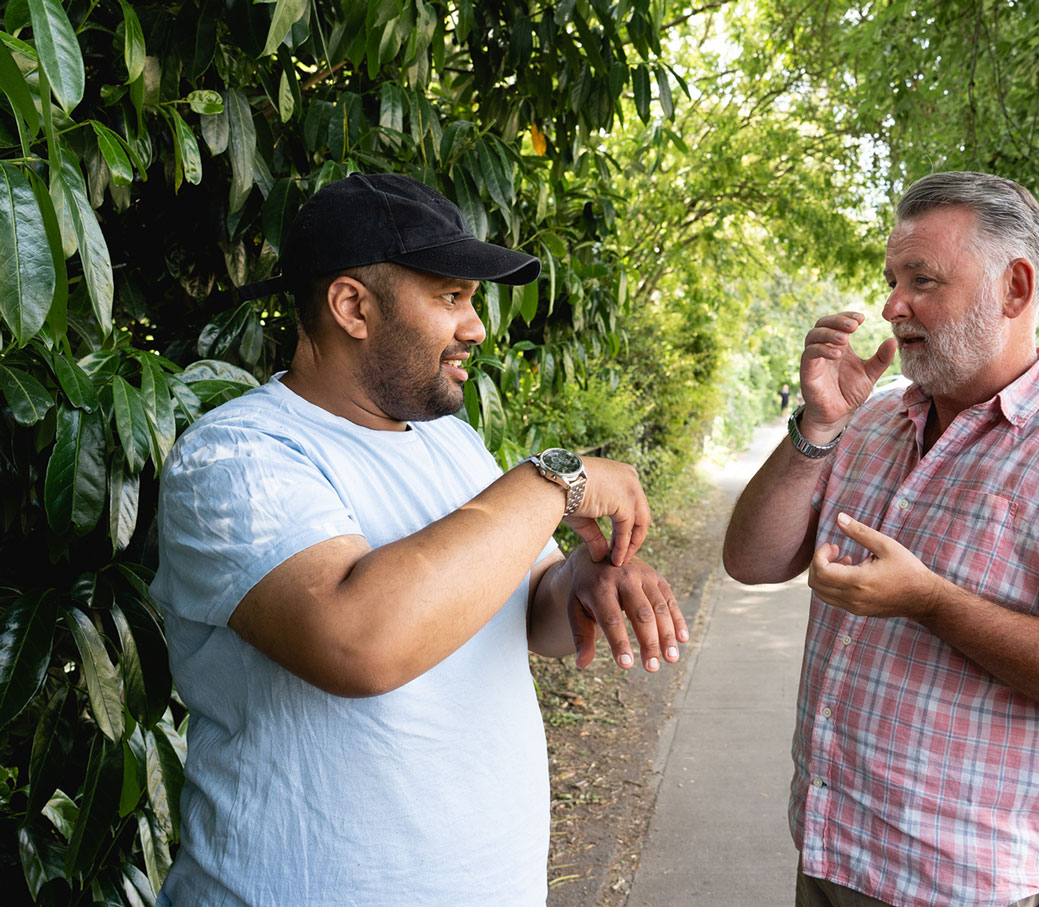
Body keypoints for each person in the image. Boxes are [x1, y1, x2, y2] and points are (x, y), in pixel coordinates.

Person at [150, 173, 688, 905]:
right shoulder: (237, 454)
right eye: (450, 298)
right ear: (352, 306)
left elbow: (529, 602)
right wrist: (550, 480)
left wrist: (584, 586)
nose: (477, 327)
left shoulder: (454, 446)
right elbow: (358, 640)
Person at [723, 171, 1039, 907]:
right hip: (830, 852)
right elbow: (751, 560)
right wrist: (818, 426)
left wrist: (930, 600)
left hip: (967, 885)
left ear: (1015, 288)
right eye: (893, 278)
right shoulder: (871, 420)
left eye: (921, 280)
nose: (893, 306)